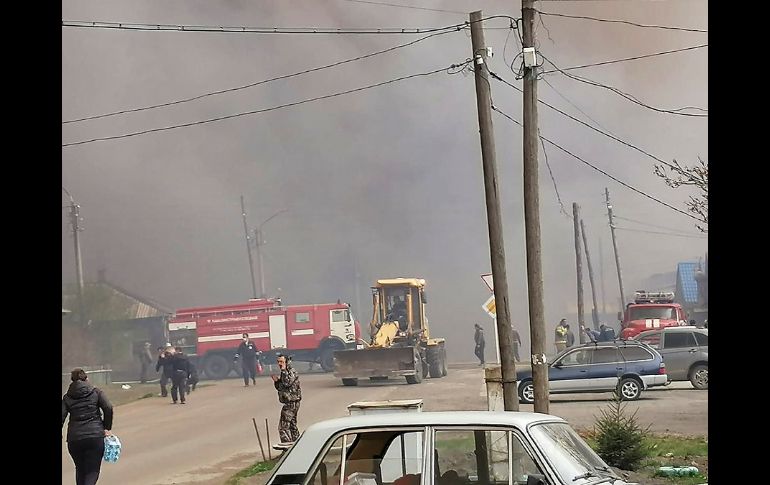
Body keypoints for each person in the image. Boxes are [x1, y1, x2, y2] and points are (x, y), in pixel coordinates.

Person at [62, 368, 114, 485]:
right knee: (92, 471)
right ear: (86, 378)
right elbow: (108, 407)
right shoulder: (96, 392)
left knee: (80, 469)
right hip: (95, 436)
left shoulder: (67, 397)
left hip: (74, 439)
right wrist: (107, 428)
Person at [272, 354, 301, 445]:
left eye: (282, 362)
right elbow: (282, 387)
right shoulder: (284, 372)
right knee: (292, 426)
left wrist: (284, 370)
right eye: (278, 362)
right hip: (290, 401)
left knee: (283, 427)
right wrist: (277, 382)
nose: (280, 364)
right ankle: (297, 445)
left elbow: (288, 383)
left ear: (287, 362)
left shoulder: (291, 371)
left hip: (291, 403)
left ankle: (287, 449)